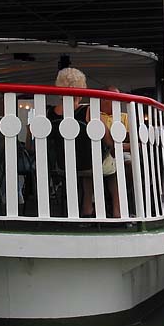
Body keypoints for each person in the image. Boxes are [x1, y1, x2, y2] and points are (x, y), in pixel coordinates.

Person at [48, 68, 120, 218]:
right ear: (81, 90)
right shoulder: (88, 111)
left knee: (85, 163)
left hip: (63, 165)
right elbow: (108, 140)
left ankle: (87, 208)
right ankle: (117, 211)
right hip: (88, 164)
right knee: (115, 167)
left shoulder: (50, 114)